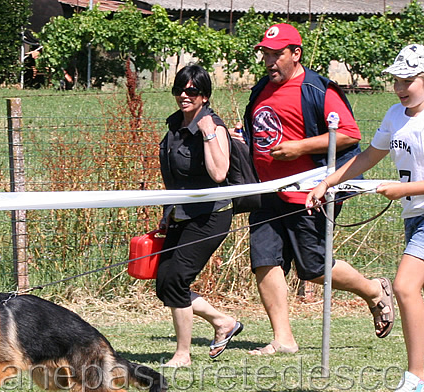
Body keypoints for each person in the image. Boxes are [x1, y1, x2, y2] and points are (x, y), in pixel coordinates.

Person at [307, 44, 424, 392]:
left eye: (407, 80)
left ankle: (417, 379)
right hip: (416, 215)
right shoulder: (395, 114)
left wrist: (403, 190)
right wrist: (327, 183)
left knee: (404, 285)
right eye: (396, 79)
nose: (399, 86)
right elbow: (369, 156)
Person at [233, 23, 395, 356]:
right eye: (265, 54)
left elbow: (350, 134)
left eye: (277, 54)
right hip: (268, 191)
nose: (269, 61)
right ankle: (284, 339)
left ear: (296, 53)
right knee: (264, 260)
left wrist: (299, 148)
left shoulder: (318, 89)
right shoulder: (261, 88)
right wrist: (243, 138)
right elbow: (262, 132)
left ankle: (374, 290)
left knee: (315, 268)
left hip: (310, 192)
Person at [156, 64, 243, 367]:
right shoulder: (174, 125)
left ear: (204, 95)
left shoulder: (213, 126)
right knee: (165, 283)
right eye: (179, 89)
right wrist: (168, 211)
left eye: (192, 90)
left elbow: (219, 173)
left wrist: (208, 135)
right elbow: (173, 176)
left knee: (178, 279)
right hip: (181, 214)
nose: (184, 95)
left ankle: (183, 353)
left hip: (210, 216)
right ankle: (223, 322)